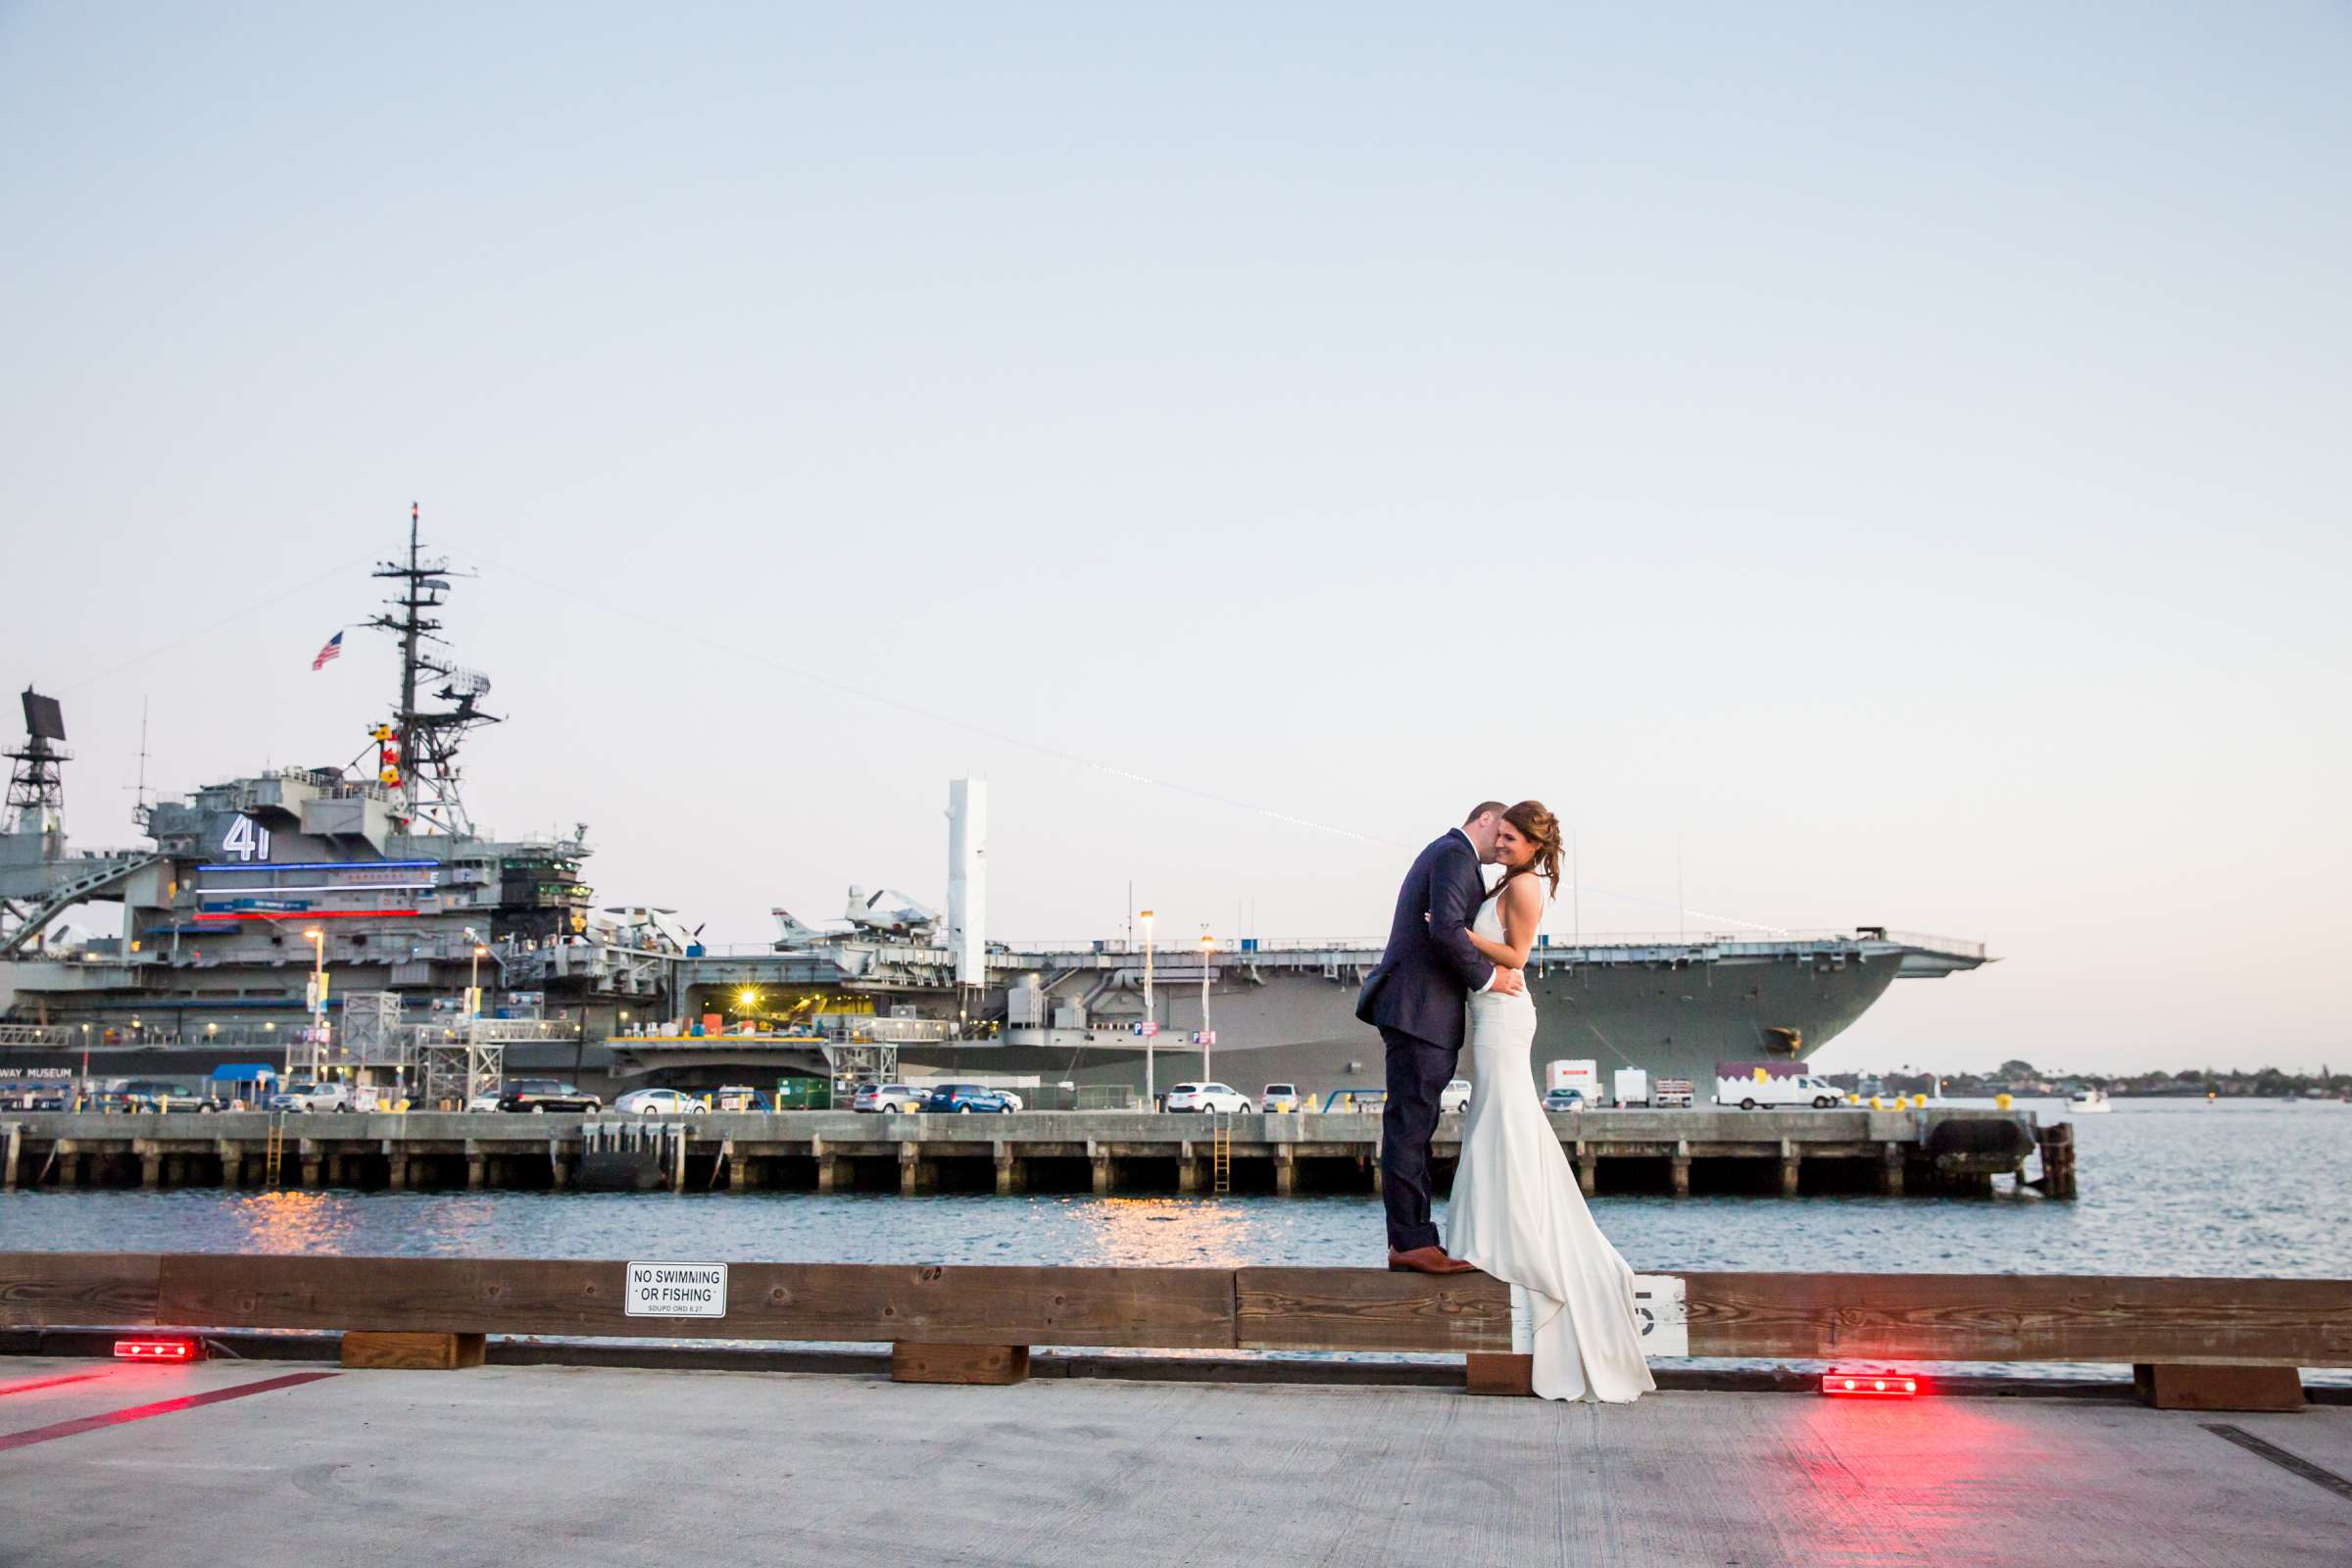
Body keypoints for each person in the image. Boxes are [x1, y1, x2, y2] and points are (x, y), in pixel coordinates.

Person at [1447, 799, 1654, 1402]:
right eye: (1501, 834)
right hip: (1490, 1014)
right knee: (1495, 1120)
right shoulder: (1510, 880)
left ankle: (1510, 1234)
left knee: (1505, 1120)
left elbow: (1518, 957)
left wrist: (1461, 936)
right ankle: (1496, 1229)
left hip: (1504, 1016)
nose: (1502, 844)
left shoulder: (1527, 888)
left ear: (1535, 844)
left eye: (1511, 837)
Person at [1354, 802, 1524, 1273]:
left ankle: (1414, 1237)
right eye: (1502, 834)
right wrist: (1491, 979)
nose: (1503, 847)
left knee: (1414, 1127)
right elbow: (1447, 931)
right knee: (1410, 1129)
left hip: (1423, 1014)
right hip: (1419, 1014)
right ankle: (1410, 1241)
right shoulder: (1454, 855)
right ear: (1486, 819)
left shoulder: (1451, 855)